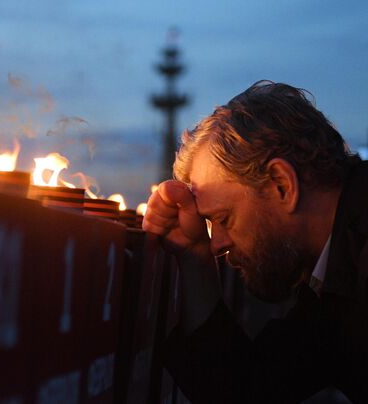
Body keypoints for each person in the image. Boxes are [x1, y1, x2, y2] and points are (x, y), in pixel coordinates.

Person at [143, 80, 368, 403]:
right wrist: (195, 257)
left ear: (281, 185)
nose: (217, 244)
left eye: (223, 218)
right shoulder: (331, 279)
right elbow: (247, 388)